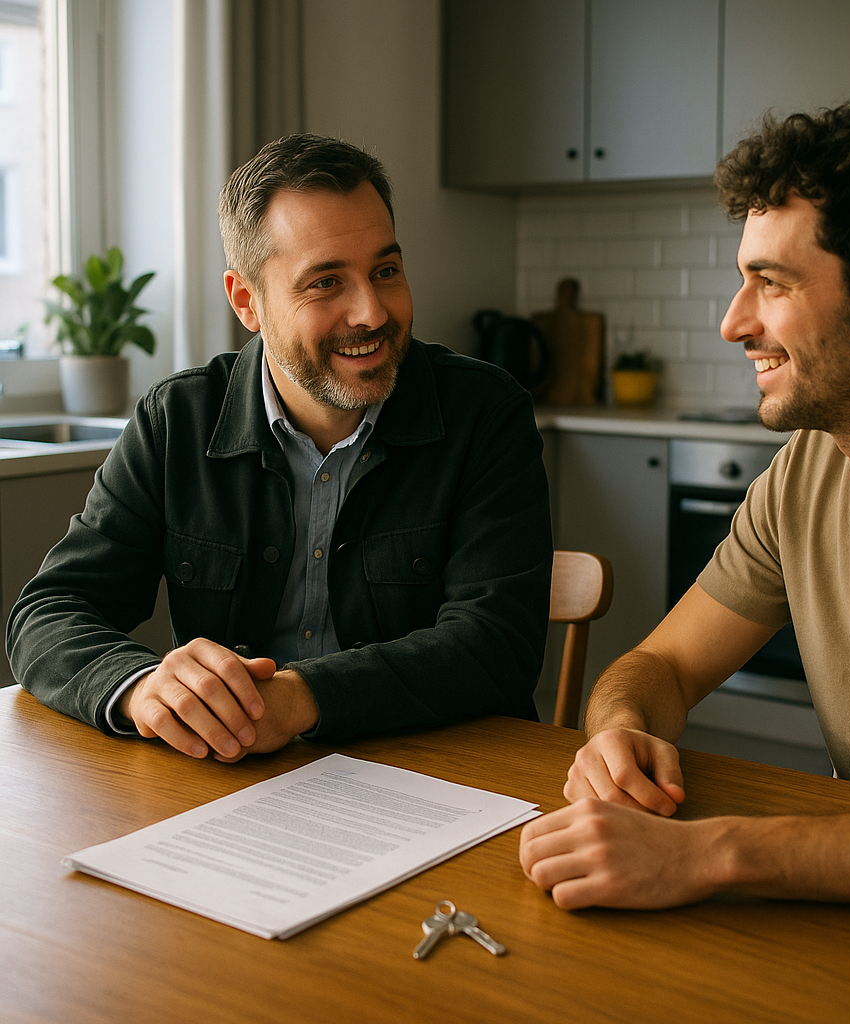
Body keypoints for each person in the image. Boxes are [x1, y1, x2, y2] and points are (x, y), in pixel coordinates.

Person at [519, 101, 850, 909]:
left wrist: (708, 853)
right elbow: (662, 667)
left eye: (773, 282)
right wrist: (622, 731)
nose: (732, 322)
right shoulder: (806, 475)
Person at [7, 134, 552, 762]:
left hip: (443, 776)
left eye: (386, 271)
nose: (372, 312)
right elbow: (49, 611)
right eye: (325, 283)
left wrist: (301, 697)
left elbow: (497, 646)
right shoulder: (176, 419)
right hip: (238, 784)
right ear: (247, 301)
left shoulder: (485, 412)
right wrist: (142, 688)